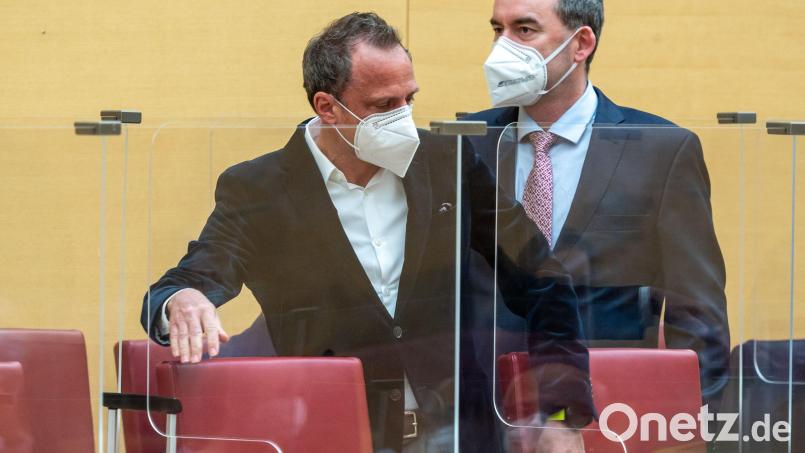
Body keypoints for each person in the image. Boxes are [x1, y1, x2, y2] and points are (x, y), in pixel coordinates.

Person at [141, 12, 594, 453]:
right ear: (327, 107)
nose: (402, 118)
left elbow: (544, 282)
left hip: (455, 435)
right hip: (328, 433)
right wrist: (181, 301)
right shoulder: (260, 188)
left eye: (409, 100)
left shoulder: (448, 164)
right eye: (383, 106)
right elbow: (190, 279)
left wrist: (561, 417)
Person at [465, 0, 730, 410]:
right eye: (497, 30)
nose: (502, 47)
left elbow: (696, 312)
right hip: (485, 406)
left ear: (581, 43)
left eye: (524, 30)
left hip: (611, 406)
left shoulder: (661, 151)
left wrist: (687, 422)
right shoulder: (469, 142)